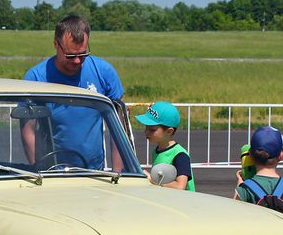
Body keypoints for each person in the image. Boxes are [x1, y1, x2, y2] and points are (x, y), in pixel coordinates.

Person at [22, 16, 126, 171]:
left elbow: (119, 130)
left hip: (94, 170)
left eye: (83, 54)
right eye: (70, 55)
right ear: (56, 44)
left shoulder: (104, 72)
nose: (77, 61)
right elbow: (28, 130)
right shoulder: (36, 77)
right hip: (51, 171)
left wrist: (118, 176)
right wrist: (37, 172)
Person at [234, 126, 283, 219]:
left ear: (250, 154)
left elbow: (235, 213)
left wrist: (239, 185)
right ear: (280, 156)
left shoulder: (246, 188)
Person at [134, 101, 194, 190]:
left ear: (169, 131)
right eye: (146, 127)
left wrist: (152, 179)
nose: (146, 131)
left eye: (152, 130)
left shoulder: (180, 155)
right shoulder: (156, 151)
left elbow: (180, 186)